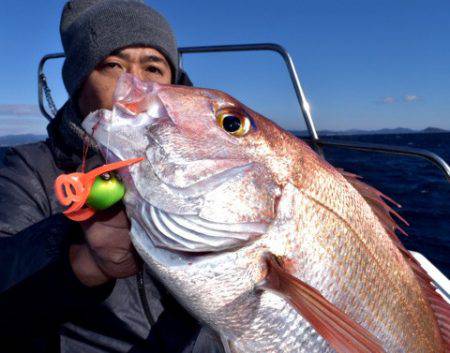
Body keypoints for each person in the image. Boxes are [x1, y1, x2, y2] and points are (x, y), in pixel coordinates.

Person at [0, 1, 225, 352]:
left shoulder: (215, 166)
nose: (133, 85)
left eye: (153, 68)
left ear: (174, 84)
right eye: (112, 65)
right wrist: (81, 261)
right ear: (79, 82)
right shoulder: (29, 169)